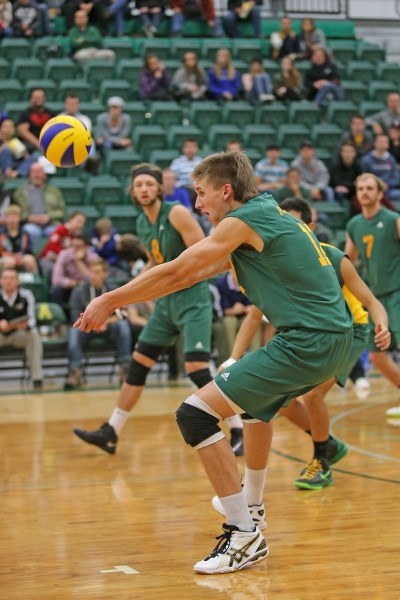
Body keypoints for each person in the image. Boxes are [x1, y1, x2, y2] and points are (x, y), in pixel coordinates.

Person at [75, 152, 354, 574]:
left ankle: (243, 533)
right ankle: (253, 510)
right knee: (258, 412)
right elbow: (188, 275)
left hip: (308, 342)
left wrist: (110, 299)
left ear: (226, 191)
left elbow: (179, 270)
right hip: (331, 339)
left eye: (202, 193)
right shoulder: (266, 216)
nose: (198, 203)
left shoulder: (243, 220)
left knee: (195, 414)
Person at [211, 196, 389, 496]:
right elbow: (254, 315)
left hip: (349, 331)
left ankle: (322, 460)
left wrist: (381, 324)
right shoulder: (274, 264)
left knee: (313, 395)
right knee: (276, 399)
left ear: (308, 227)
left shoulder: (333, 258)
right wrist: (233, 357)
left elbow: (371, 301)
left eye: (292, 224)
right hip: (309, 336)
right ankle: (328, 444)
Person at [73, 163, 244, 457]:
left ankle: (238, 428)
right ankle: (111, 431)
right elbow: (156, 263)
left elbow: (203, 252)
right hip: (166, 304)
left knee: (196, 368)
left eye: (149, 184)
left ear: (159, 189)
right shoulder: (142, 222)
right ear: (132, 190)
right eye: (138, 184)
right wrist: (127, 295)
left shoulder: (176, 212)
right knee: (139, 364)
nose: (143, 189)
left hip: (192, 299)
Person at [345, 173, 400, 420]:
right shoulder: (354, 225)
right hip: (376, 299)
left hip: (397, 292)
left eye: (369, 188)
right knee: (377, 355)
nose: (364, 192)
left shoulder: (393, 220)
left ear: (379, 194)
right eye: (360, 189)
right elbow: (348, 262)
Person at [64, 257, 131, 390]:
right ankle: (75, 372)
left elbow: (123, 313)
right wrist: (94, 323)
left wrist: (104, 321)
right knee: (73, 333)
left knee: (123, 326)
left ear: (105, 273)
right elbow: (74, 316)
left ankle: (125, 370)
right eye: (92, 272)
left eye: (98, 272)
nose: (93, 275)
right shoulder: (79, 291)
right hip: (86, 328)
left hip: (109, 327)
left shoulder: (113, 289)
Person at [0, 267, 43, 388]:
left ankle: (37, 378)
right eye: (5, 278)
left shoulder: (26, 295)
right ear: (0, 281)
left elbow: (32, 320)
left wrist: (17, 325)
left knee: (33, 334)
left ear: (18, 281)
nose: (8, 281)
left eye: (12, 278)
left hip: (19, 333)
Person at [13, 162, 66, 240]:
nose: (37, 175)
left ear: (44, 174)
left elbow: (62, 211)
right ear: (30, 174)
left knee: (57, 231)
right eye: (34, 172)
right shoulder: (20, 193)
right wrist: (28, 217)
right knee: (28, 230)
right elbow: (15, 211)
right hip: (30, 224)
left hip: (51, 224)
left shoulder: (55, 191)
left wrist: (49, 216)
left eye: (39, 172)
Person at [51, 233, 96, 305]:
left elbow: (93, 279)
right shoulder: (64, 254)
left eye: (78, 247)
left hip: (85, 289)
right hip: (68, 288)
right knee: (57, 290)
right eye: (73, 246)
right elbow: (56, 280)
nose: (75, 249)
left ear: (86, 247)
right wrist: (75, 283)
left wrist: (79, 262)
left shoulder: (92, 258)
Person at [40, 211, 86, 278]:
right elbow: (53, 247)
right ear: (70, 220)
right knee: (59, 271)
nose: (80, 225)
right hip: (49, 259)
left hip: (65, 261)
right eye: (78, 222)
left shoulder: (78, 236)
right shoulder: (60, 230)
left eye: (82, 223)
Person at [361, 134, 400, 201]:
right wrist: (376, 185)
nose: (383, 144)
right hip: (371, 189)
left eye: (385, 142)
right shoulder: (366, 160)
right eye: (380, 141)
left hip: (388, 190)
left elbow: (396, 177)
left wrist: (388, 184)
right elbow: (364, 177)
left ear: (388, 145)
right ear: (375, 143)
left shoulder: (391, 159)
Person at [0, 205, 38, 273]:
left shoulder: (25, 233)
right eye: (10, 216)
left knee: (30, 260)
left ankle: (34, 282)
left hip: (21, 256)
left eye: (15, 216)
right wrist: (13, 256)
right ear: (6, 218)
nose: (12, 219)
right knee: (9, 262)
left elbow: (28, 250)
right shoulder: (1, 233)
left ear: (19, 218)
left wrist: (20, 256)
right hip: (5, 257)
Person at [16, 89, 55, 154]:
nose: (38, 99)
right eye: (36, 97)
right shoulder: (25, 113)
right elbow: (23, 131)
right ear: (31, 99)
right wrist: (39, 145)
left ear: (44, 98)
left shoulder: (50, 113)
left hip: (48, 143)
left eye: (40, 97)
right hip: (30, 145)